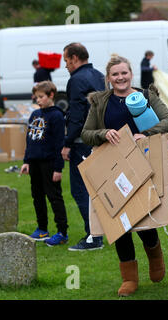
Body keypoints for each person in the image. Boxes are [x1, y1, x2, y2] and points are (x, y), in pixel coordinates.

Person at [81, 54, 168, 297]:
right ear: (109, 78)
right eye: (115, 74)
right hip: (113, 168)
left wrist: (145, 133)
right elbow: (86, 133)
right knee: (118, 222)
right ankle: (129, 278)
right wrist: (103, 133)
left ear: (130, 74)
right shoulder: (100, 101)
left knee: (143, 216)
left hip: (144, 163)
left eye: (124, 73)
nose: (120, 77)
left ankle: (155, 257)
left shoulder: (146, 96)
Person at [61, 43, 105, 251]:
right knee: (98, 188)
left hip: (82, 142)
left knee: (80, 190)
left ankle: (93, 236)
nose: (66, 66)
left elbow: (78, 116)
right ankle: (104, 230)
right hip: (101, 137)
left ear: (75, 58)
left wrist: (67, 143)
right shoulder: (98, 75)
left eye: (66, 61)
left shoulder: (77, 79)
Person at [21, 81, 68, 246]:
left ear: (51, 96)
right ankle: (42, 229)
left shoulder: (57, 116)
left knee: (54, 197)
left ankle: (62, 232)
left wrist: (58, 168)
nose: (38, 100)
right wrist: (26, 161)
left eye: (41, 97)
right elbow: (30, 140)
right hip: (34, 163)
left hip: (49, 164)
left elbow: (58, 144)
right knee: (37, 196)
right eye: (36, 97)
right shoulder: (34, 115)